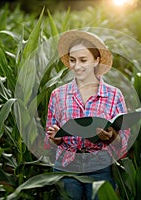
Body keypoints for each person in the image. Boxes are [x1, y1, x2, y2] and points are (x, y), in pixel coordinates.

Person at [44, 30, 130, 200]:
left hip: (101, 164)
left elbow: (124, 140)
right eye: (73, 60)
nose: (77, 66)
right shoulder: (57, 95)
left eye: (83, 60)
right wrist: (54, 138)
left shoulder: (114, 95)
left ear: (96, 61)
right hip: (67, 164)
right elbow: (49, 139)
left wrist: (111, 136)